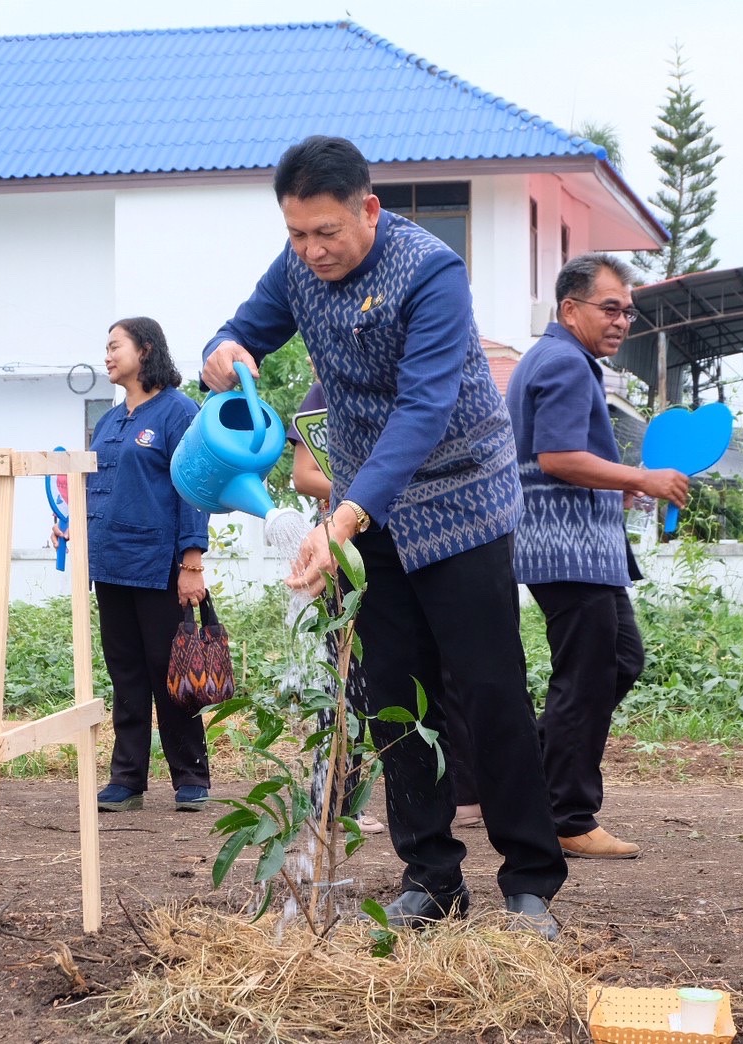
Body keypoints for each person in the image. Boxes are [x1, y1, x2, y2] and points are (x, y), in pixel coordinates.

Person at [202, 135, 566, 938]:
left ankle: (530, 882)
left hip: (460, 498)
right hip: (369, 508)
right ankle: (431, 875)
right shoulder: (297, 265)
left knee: (488, 685)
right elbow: (238, 332)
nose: (311, 250)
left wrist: (342, 518)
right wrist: (221, 355)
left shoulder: (430, 271)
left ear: (369, 208)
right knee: (394, 694)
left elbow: (424, 408)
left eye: (326, 231)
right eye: (297, 234)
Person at [507, 253, 689, 860]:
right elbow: (558, 456)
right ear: (569, 309)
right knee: (585, 680)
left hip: (580, 548)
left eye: (628, 312)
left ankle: (530, 778)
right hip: (565, 548)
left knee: (618, 660)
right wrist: (642, 478)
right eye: (610, 308)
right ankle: (569, 817)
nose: (621, 321)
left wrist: (627, 483)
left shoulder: (563, 359)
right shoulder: (562, 361)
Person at [55, 318, 211, 813]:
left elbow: (195, 485)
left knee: (170, 671)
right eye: (105, 347)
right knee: (125, 674)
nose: (106, 356)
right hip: (111, 565)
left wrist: (192, 560)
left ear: (145, 350)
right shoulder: (109, 420)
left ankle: (191, 778)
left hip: (160, 565)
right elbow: (98, 486)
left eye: (114, 346)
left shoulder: (178, 412)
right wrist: (74, 527)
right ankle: (127, 778)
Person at [287, 381, 384, 837]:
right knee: (345, 672)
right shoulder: (322, 393)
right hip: (344, 548)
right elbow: (303, 474)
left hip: (403, 547)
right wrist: (368, 496)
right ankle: (334, 796)